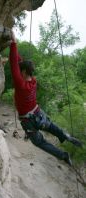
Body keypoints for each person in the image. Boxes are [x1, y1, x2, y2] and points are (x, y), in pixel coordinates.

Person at [9, 30, 82, 166]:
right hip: (38, 114)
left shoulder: (21, 85)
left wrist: (14, 43)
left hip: (28, 121)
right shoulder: (33, 82)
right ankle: (64, 135)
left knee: (40, 142)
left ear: (23, 72)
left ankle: (62, 155)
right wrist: (14, 46)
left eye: (20, 71)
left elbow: (14, 64)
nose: (18, 72)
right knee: (50, 126)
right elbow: (19, 63)